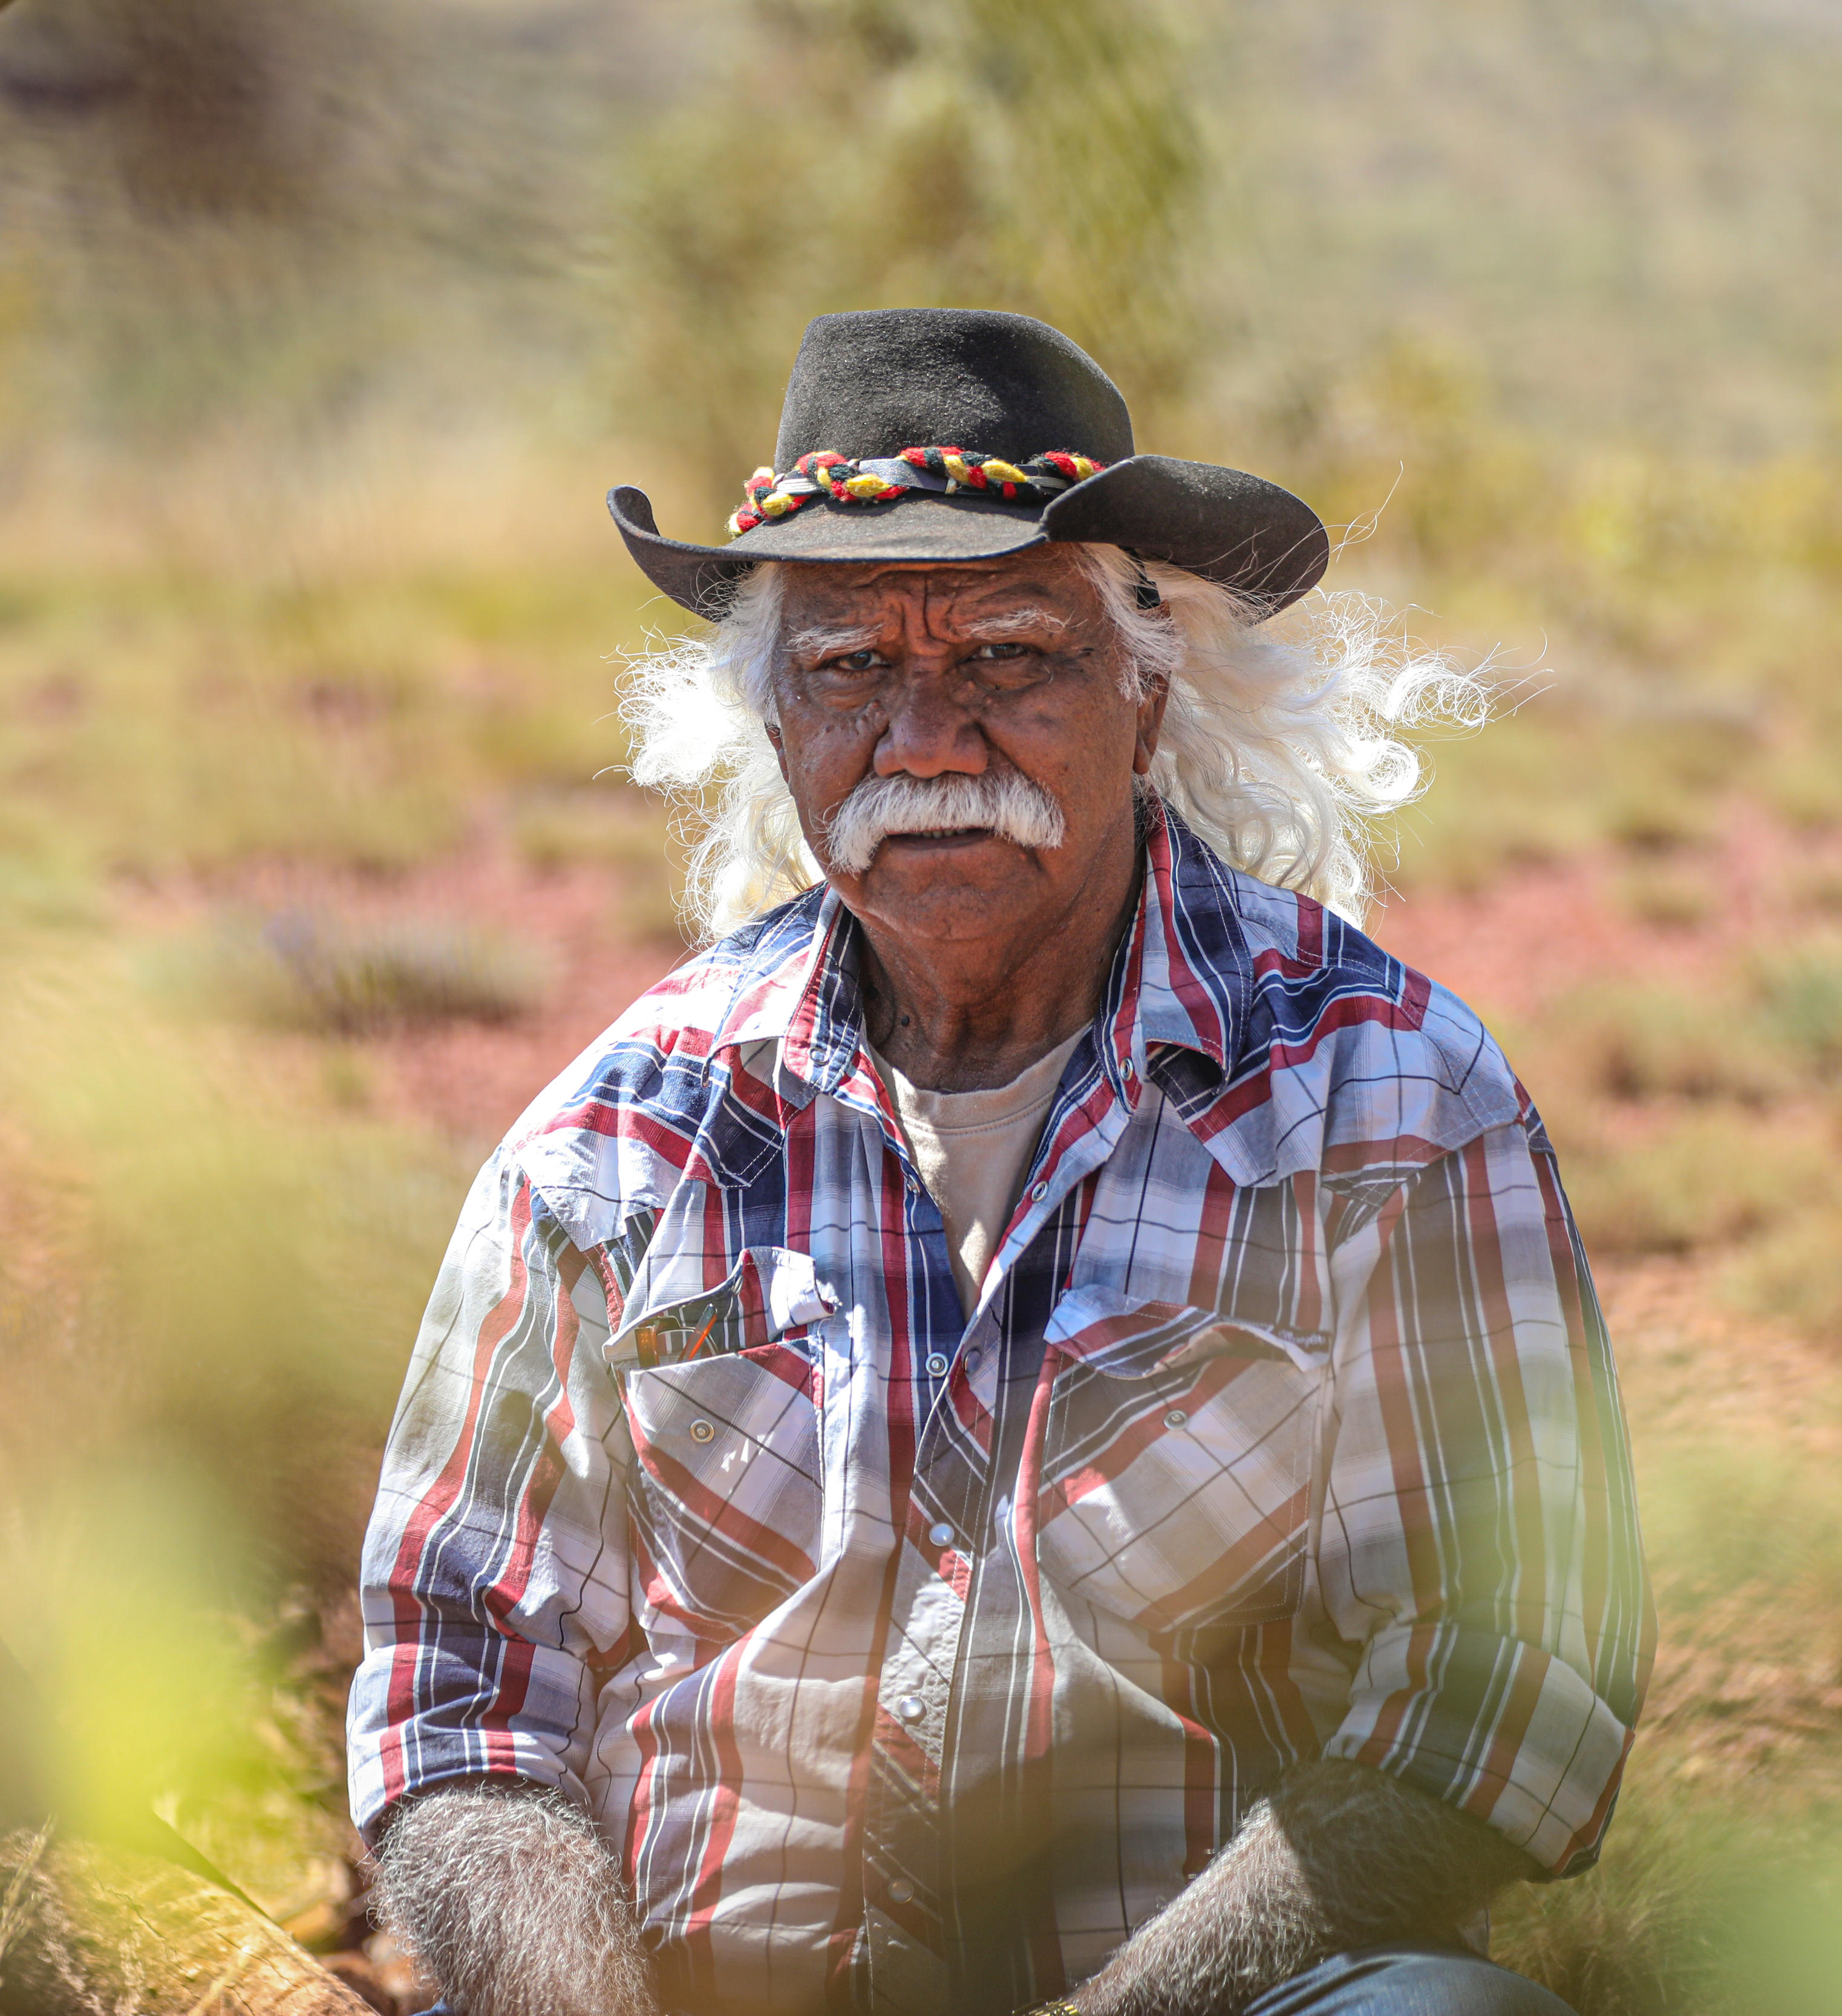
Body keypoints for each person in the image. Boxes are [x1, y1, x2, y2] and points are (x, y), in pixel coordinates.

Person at [347, 308, 1650, 2016]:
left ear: (1151, 688)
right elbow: (460, 1694)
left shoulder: (1383, 1104)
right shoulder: (623, 1136)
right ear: (775, 723)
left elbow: (1509, 1686)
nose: (929, 740)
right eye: (848, 671)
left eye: (1009, 658)